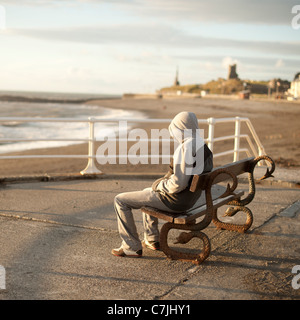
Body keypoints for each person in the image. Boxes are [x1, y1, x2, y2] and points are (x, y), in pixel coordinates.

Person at [112, 111, 213, 257]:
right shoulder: (203, 146)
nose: (174, 135)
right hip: (191, 199)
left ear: (181, 128)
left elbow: (178, 184)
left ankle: (131, 246)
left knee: (120, 200)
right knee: (147, 192)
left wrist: (159, 185)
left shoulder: (185, 148)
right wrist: (157, 186)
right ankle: (152, 239)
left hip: (176, 201)